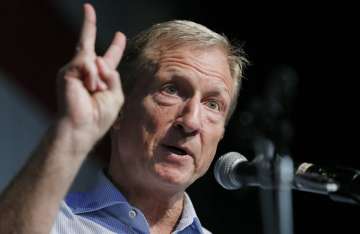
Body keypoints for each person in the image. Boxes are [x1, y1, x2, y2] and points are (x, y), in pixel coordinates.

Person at [0, 3, 247, 234]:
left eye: (212, 104)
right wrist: (71, 133)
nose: (191, 122)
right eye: (171, 90)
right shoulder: (53, 223)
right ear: (120, 106)